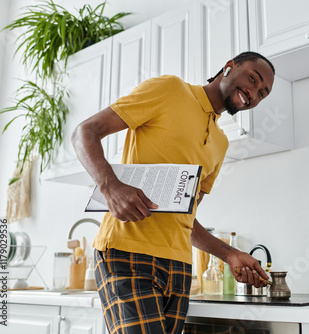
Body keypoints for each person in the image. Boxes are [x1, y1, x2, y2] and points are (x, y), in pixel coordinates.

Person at [71, 51, 276, 334]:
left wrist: (229, 254)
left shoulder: (220, 143)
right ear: (229, 67)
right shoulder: (169, 90)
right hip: (127, 252)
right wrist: (111, 187)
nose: (254, 93)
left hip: (179, 267)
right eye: (253, 79)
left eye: (262, 93)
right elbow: (85, 131)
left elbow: (185, 219)